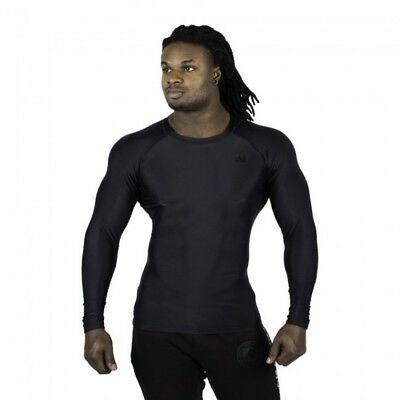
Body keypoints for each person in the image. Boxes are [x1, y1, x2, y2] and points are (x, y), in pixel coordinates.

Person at [82, 24, 318, 400]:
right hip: (158, 332)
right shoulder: (136, 150)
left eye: (187, 67)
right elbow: (103, 233)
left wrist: (298, 318)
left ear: (216, 73)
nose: (172, 78)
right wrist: (93, 323)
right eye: (166, 68)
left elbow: (299, 230)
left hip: (234, 325)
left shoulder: (265, 147)